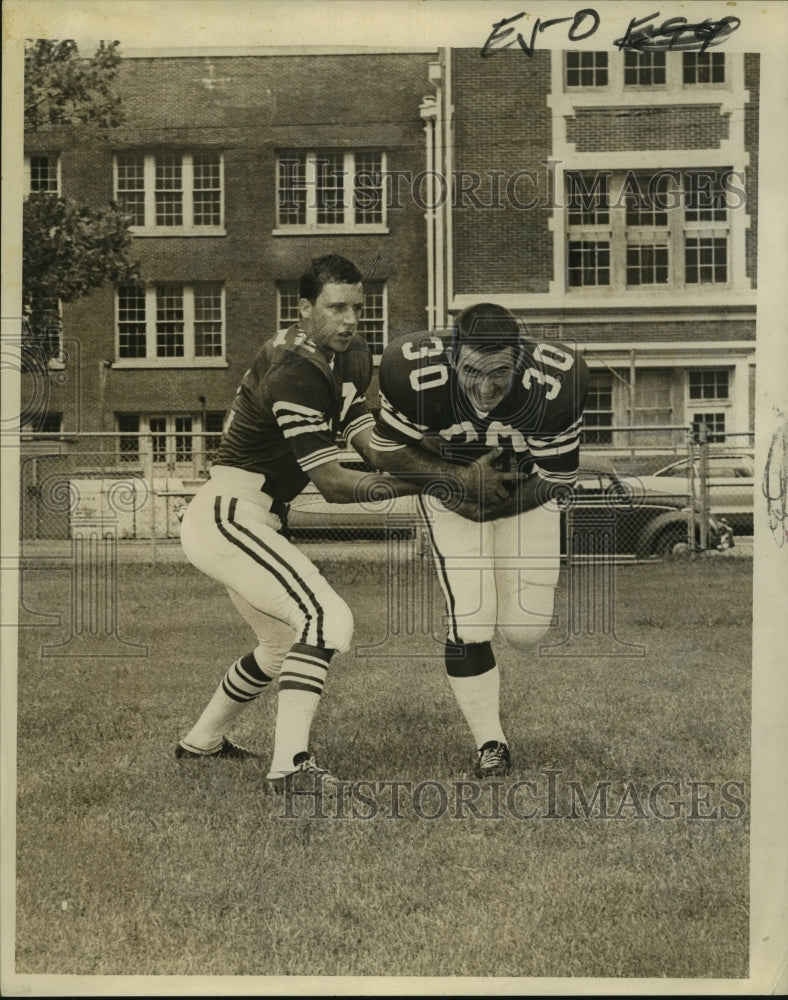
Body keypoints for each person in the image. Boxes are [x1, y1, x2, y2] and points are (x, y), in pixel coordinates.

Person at [178, 254, 416, 792]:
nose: (351, 320)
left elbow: (371, 445)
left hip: (255, 516)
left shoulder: (351, 355)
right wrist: (432, 483)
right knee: (327, 617)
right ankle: (289, 768)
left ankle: (201, 743)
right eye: (336, 308)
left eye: (359, 307)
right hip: (231, 513)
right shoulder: (294, 367)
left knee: (281, 644)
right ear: (305, 307)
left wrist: (438, 461)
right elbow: (332, 484)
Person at [369, 303, 589, 778]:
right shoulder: (410, 369)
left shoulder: (558, 380)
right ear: (450, 358)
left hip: (526, 493)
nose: (485, 389)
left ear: (522, 363)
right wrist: (457, 483)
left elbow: (559, 478)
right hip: (450, 490)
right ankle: (491, 742)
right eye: (471, 371)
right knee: (470, 618)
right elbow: (385, 449)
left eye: (500, 374)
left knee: (526, 631)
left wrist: (483, 501)